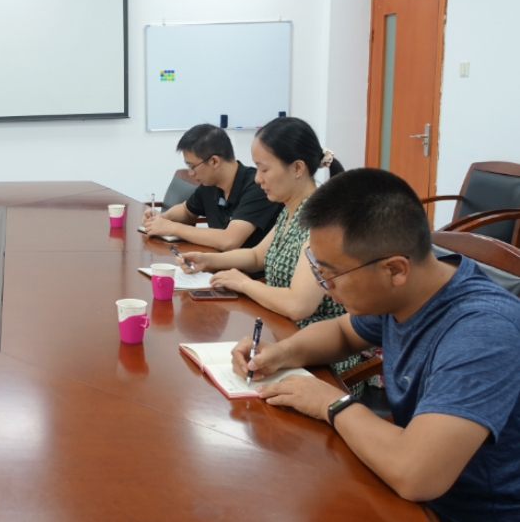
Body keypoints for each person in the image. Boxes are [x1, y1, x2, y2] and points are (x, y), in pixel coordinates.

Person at [231, 168, 520, 521]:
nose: (324, 285)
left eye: (331, 274)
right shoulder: (410, 289)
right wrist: (280, 353)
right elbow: (342, 332)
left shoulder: (483, 333)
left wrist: (331, 403)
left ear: (395, 270)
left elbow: (416, 474)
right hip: (396, 480)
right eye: (317, 268)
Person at [178, 117, 360, 380]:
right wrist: (208, 260)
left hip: (321, 361)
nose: (257, 179)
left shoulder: (324, 220)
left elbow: (298, 305)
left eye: (264, 169)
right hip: (282, 338)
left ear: (297, 168)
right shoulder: (291, 209)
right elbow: (256, 255)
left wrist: (243, 284)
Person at [142, 124, 281, 251]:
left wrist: (172, 228)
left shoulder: (258, 187)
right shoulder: (210, 184)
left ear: (214, 161)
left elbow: (229, 240)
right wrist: (162, 218)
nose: (191, 173)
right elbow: (186, 210)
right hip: (217, 261)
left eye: (193, 167)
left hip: (246, 269)